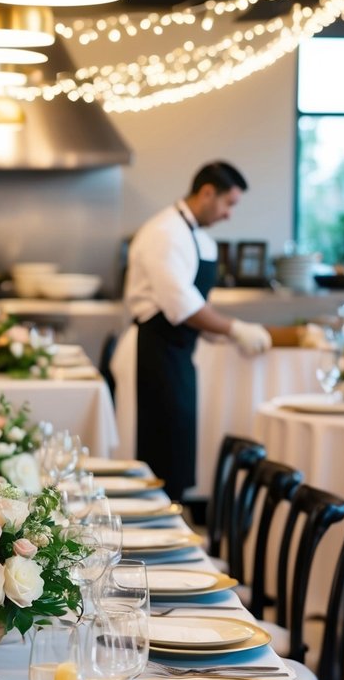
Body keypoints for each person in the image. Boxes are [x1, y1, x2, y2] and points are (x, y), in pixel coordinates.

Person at [113, 161, 272, 501]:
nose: (230, 214)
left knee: (178, 445)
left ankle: (172, 528)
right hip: (152, 352)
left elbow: (197, 304)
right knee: (156, 450)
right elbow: (182, 305)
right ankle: (149, 537)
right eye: (229, 203)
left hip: (178, 352)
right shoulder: (165, 233)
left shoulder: (198, 238)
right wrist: (235, 328)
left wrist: (218, 331)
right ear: (206, 192)